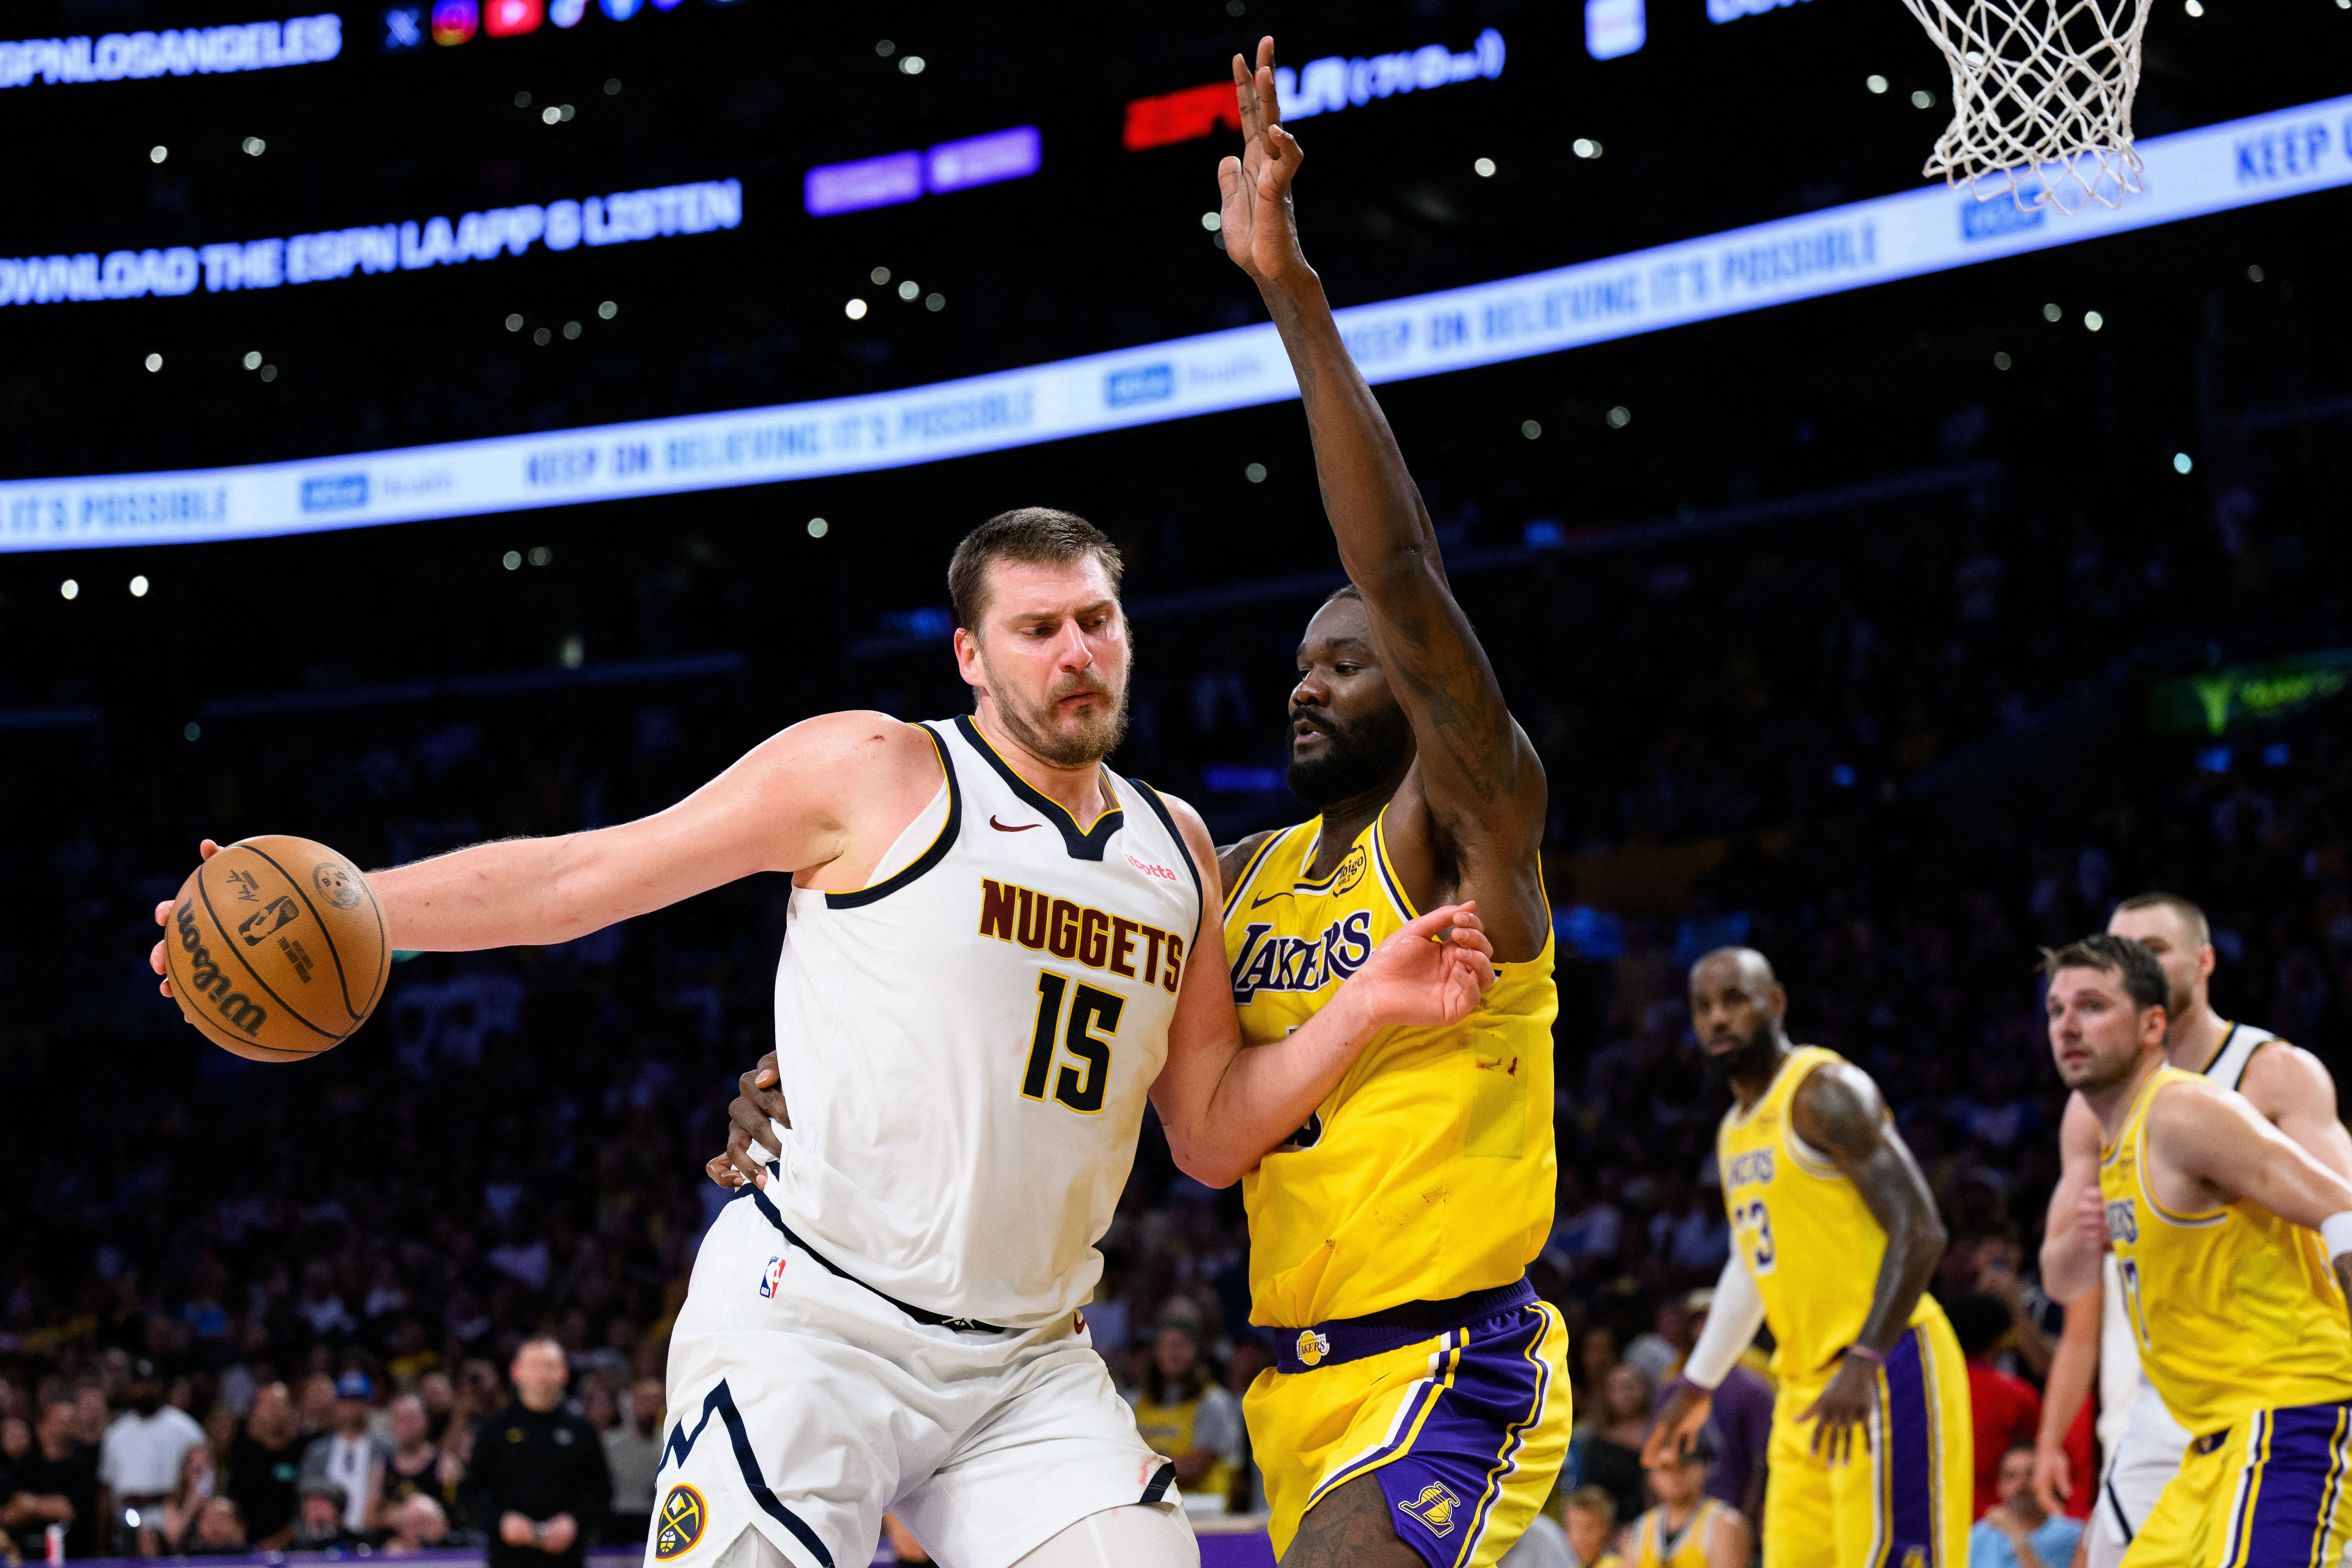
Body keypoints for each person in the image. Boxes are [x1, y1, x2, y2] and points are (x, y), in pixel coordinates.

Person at [163, 517, 1492, 1568]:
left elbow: (1205, 1127)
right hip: (814, 1318)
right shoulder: (874, 769)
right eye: (1038, 629)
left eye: (1096, 619)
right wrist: (355, 907)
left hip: (1025, 1359)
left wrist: (1362, 1004)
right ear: (972, 655)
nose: (1076, 650)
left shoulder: (1181, 844)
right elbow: (583, 877)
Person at [1208, 38, 1569, 1568]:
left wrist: (1292, 298)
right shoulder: (1232, 872)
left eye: (1345, 666)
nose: (1308, 684)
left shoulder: (1463, 827)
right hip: (1285, 1386)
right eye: (1299, 666)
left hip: (1448, 1368)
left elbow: (1401, 576)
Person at [2032, 893, 2352, 1567]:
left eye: (2092, 1005)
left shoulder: (2189, 1106)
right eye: (2056, 1009)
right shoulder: (2103, 1125)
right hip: (2202, 1423)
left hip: (2286, 1408)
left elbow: (2343, 1210)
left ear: (2152, 1022)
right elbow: (2064, 1282)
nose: (2067, 1026)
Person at [1648, 948, 1972, 1567]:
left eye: (1734, 1000)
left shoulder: (1824, 1092)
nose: (1717, 1018)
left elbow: (1921, 1227)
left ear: (1774, 1003)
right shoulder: (1734, 1130)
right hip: (1802, 1390)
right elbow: (1753, 1266)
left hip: (1884, 1365)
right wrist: (1699, 1381)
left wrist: (1864, 1358)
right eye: (1703, 1007)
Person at [461, 1341, 608, 1568]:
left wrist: (576, 1523)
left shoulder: (582, 1431)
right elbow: (470, 1495)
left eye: (550, 1365)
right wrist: (500, 1522)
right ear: (516, 1371)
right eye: (534, 1365)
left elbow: (603, 1494)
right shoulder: (494, 1430)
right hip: (508, 1559)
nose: (542, 1374)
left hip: (567, 1559)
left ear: (564, 1373)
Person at [1123, 1323, 1241, 1518]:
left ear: (1196, 1351)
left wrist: (1141, 1466)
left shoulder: (1213, 1402)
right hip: (1152, 1513)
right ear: (1154, 1353)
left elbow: (1196, 1466)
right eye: (1166, 1346)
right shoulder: (1135, 1403)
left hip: (1206, 1515)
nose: (1173, 1354)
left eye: (1181, 1345)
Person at [97, 1360, 207, 1555]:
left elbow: (204, 1481)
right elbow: (107, 1489)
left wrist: (185, 1517)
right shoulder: (116, 1433)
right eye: (139, 1384)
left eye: (150, 1383)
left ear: (160, 1386)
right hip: (128, 1521)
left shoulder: (186, 1428)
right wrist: (102, 1542)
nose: (145, 1390)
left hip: (173, 1521)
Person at [1947, 1294, 2040, 1519]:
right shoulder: (2017, 1396)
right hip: (1999, 1523)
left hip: (1938, 1519)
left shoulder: (1925, 1390)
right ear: (1997, 1340)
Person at [1626, 1440, 1747, 1568]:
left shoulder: (1723, 1524)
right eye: (1666, 1468)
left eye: (1684, 1464)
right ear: (1651, 1476)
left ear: (1703, 1467)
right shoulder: (1641, 1527)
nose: (1675, 1474)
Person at [4, 1398, 98, 1559]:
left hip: (75, 1556)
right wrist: (48, 1506)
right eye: (58, 1422)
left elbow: (71, 1510)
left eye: (69, 1422)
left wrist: (30, 1505)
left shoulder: (83, 1465)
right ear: (42, 1426)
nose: (63, 1428)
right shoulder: (24, 1466)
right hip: (28, 1556)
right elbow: (8, 1513)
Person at [300, 1371, 386, 1537]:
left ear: (369, 1404)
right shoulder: (316, 1452)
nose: (352, 1407)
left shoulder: (386, 1448)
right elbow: (306, 1501)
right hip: (326, 1539)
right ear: (336, 1404)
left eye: (358, 1400)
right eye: (346, 1401)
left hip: (373, 1538)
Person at [1968, 1445, 2080, 1568]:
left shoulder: (2073, 1535)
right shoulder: (1978, 1536)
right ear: (1999, 1486)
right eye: (2010, 1476)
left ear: (2047, 1480)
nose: (2021, 1484)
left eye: (2031, 1474)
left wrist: (2017, 1536)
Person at [225, 1382, 303, 1549]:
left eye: (279, 1406)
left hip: (294, 1546)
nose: (273, 1412)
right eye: (268, 1406)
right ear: (257, 1410)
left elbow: (305, 1507)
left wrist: (278, 1541)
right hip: (247, 1546)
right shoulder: (243, 1452)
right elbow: (235, 1498)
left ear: (290, 1410)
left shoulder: (303, 1452)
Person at [1575, 1366, 1653, 1531]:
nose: (1624, 1394)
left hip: (1659, 1525)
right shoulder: (1597, 1444)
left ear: (1645, 1389)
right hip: (1614, 1531)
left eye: (1630, 1386)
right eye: (1616, 1389)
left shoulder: (1662, 1433)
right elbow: (1593, 1495)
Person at [601, 1376, 664, 1546]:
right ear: (632, 1403)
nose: (648, 1407)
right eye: (643, 1400)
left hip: (655, 1520)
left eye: (654, 1401)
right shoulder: (610, 1442)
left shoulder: (669, 1443)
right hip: (616, 1520)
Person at [1560, 1488, 1624, 1568]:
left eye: (1587, 1529)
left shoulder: (1617, 1565)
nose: (1577, 1538)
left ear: (1607, 1529)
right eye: (1570, 1528)